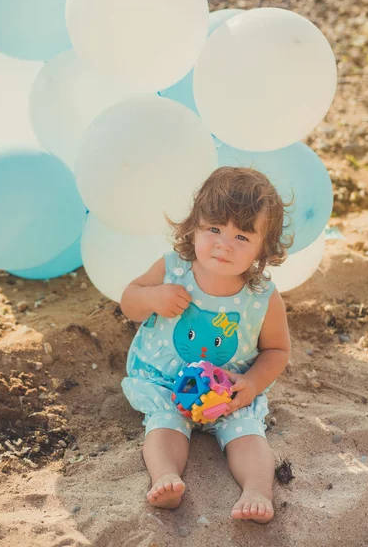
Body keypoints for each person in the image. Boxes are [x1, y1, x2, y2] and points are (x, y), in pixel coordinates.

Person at [121, 166, 293, 523]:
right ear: (194, 226)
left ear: (264, 248)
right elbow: (129, 300)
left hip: (227, 393)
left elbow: (277, 350)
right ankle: (165, 475)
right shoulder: (174, 269)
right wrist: (154, 297)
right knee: (164, 423)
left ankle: (257, 490)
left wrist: (252, 383)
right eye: (214, 228)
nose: (223, 243)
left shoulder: (262, 296)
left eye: (242, 236)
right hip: (168, 384)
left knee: (247, 433)